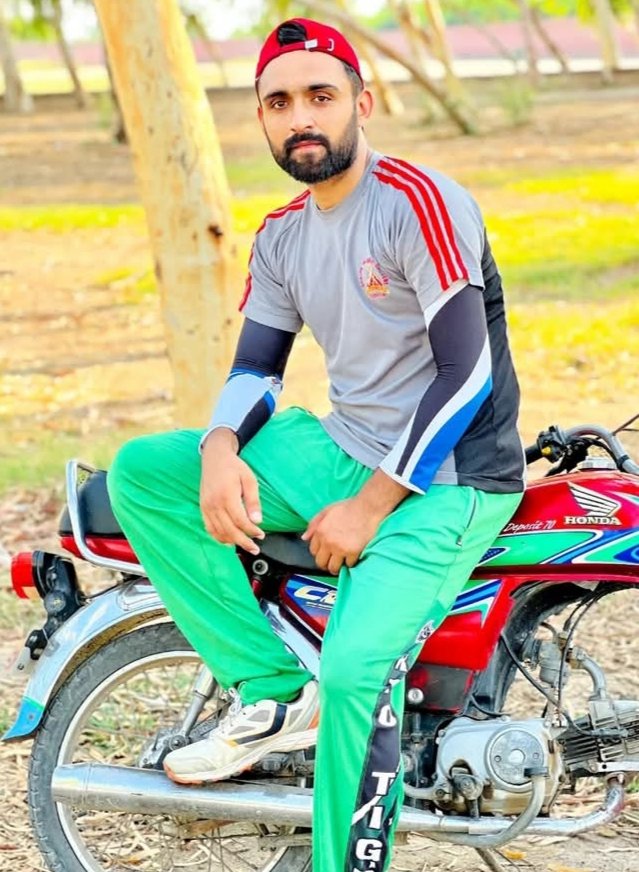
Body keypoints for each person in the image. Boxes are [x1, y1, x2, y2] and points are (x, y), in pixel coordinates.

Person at [108, 17, 525, 872]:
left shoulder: (419, 201)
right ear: (262, 119)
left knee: (353, 671)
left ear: (361, 105)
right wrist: (219, 449)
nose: (300, 116)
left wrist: (368, 507)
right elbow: (255, 369)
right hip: (342, 445)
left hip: (450, 477)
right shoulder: (282, 234)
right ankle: (268, 691)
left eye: (320, 96)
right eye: (278, 102)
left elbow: (465, 376)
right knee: (147, 472)